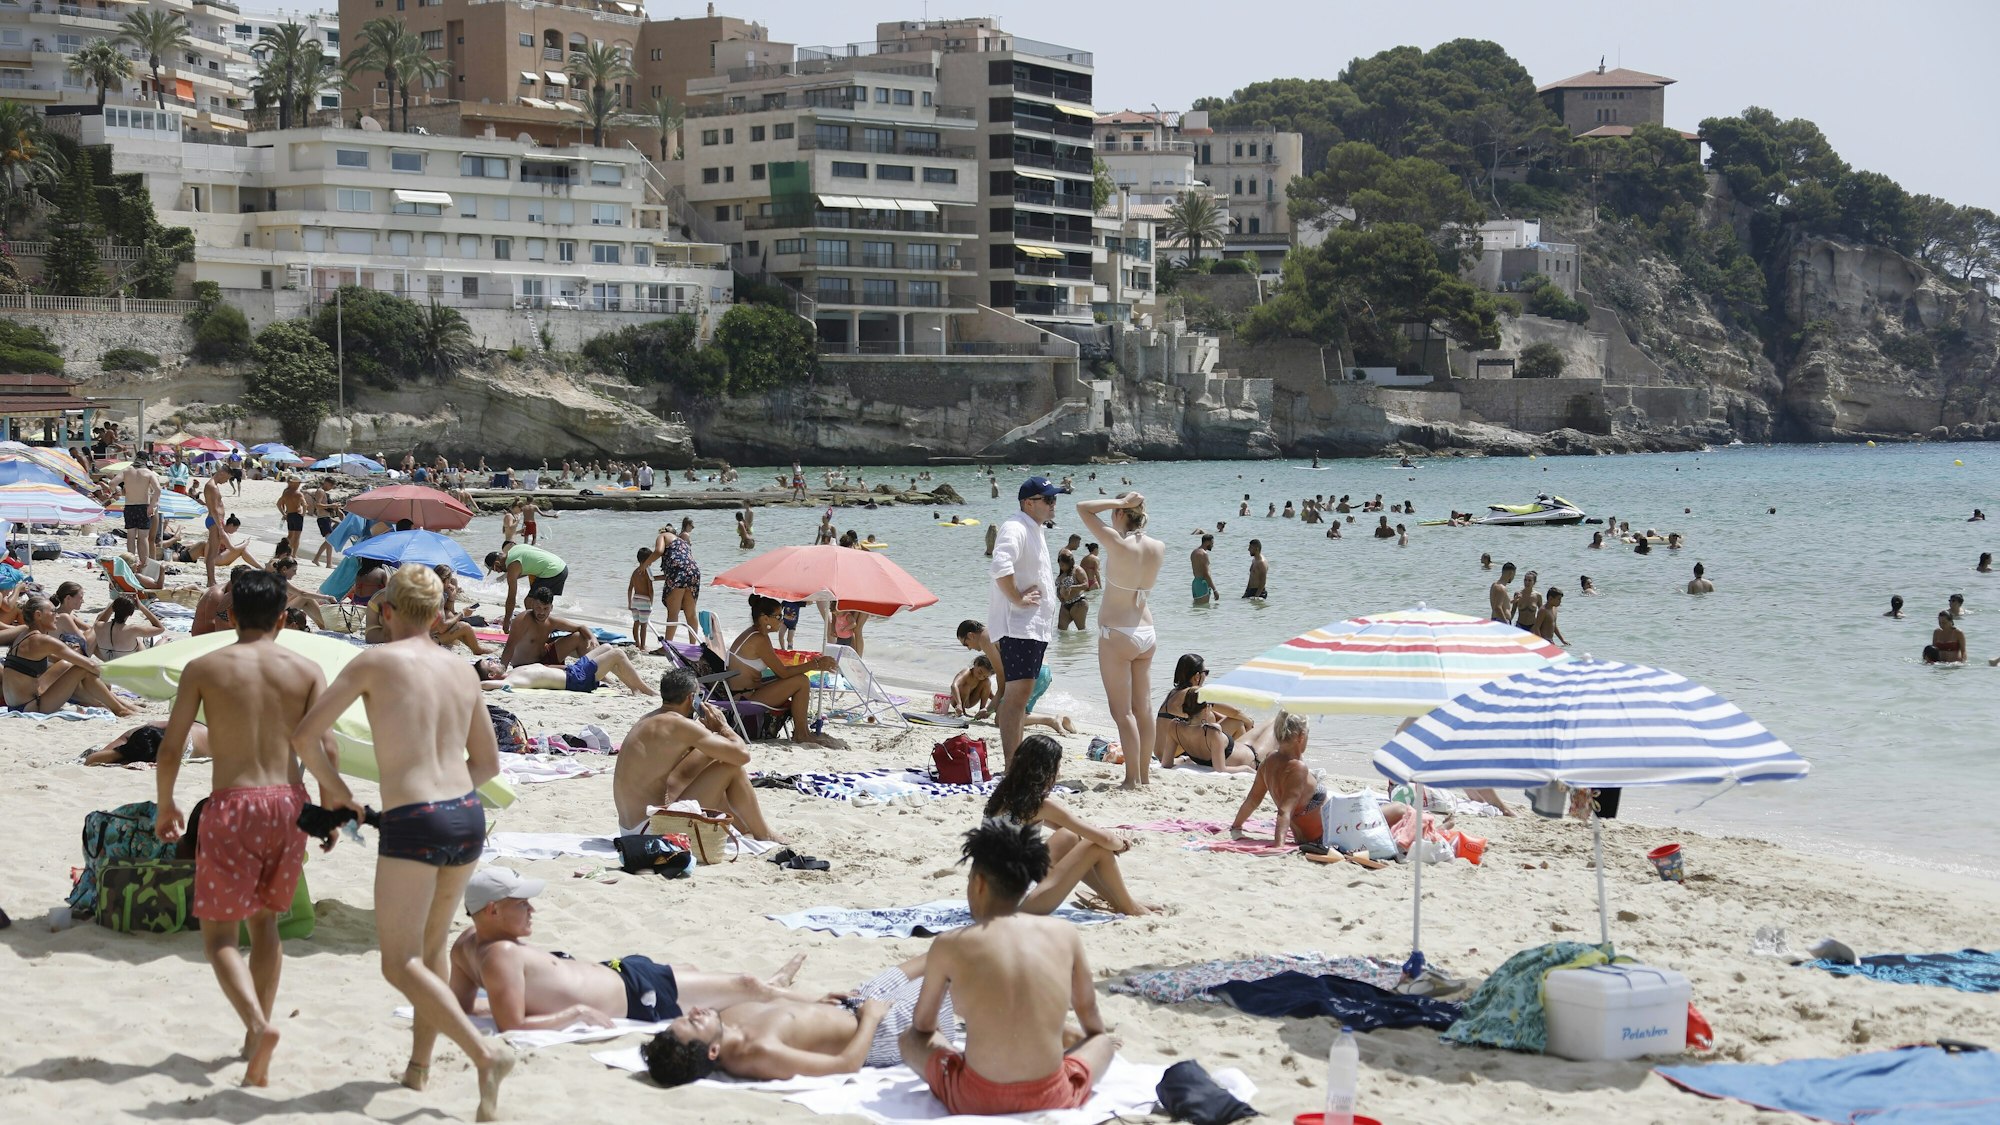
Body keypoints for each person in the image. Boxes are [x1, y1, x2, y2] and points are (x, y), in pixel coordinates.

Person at [291, 564, 516, 1120]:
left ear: (385, 610)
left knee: (398, 963)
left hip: (415, 817)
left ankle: (483, 1054)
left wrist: (339, 792)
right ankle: (418, 1069)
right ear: (440, 615)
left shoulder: (374, 660)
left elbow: (303, 734)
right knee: (432, 951)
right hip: (466, 814)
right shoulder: (462, 670)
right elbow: (487, 763)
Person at [153, 570, 329, 1087]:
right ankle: (257, 1036)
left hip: (233, 805)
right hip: (289, 804)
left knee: (220, 938)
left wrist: (166, 804)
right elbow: (324, 746)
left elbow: (171, 746)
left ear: (229, 616)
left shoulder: (204, 666)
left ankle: (256, 1025)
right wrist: (327, 807)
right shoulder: (307, 668)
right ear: (282, 618)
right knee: (266, 925)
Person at [896, 819, 1116, 1116]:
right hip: (1052, 1094)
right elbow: (1092, 1024)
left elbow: (923, 1025)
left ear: (979, 883)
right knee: (1102, 1043)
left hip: (975, 1097)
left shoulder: (950, 944)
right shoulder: (1065, 934)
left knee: (910, 1038)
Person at [450, 867, 815, 1037]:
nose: (533, 910)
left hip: (621, 971)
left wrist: (503, 1002)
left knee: (693, 970)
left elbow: (463, 1006)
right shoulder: (500, 955)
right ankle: (816, 1001)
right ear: (492, 910)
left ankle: (773, 990)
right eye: (522, 904)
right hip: (637, 997)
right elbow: (511, 1024)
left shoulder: (466, 942)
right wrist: (573, 1013)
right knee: (745, 985)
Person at [645, 947, 955, 1083]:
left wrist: (816, 1001)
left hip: (854, 1000)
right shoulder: (758, 1052)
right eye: (694, 1021)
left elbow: (776, 1007)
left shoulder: (722, 1022)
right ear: (713, 1051)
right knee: (957, 971)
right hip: (883, 1029)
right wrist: (872, 1018)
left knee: (942, 951)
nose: (696, 1012)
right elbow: (845, 1066)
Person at [981, 734, 1156, 915]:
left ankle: (1117, 901)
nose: (1058, 773)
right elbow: (1101, 839)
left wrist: (1103, 837)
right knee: (1096, 847)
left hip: (987, 898)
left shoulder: (1003, 796)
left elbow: (1073, 830)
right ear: (1046, 771)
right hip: (1016, 905)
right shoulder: (1038, 804)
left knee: (1070, 836)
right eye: (1057, 767)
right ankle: (1128, 906)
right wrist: (1121, 844)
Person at [614, 667, 784, 840]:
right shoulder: (680, 725)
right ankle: (764, 834)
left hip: (630, 827)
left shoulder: (649, 719)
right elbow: (742, 755)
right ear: (690, 698)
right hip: (651, 829)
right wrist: (723, 727)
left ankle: (744, 829)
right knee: (732, 767)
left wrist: (711, 734)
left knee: (710, 755)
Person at [1075, 492, 1163, 789]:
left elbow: (1083, 508)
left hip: (1118, 633)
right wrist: (1126, 506)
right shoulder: (1158, 547)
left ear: (1123, 513)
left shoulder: (1118, 543)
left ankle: (1131, 779)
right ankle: (1145, 777)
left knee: (1122, 712)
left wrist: (1117, 504)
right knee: (1144, 710)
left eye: (1118, 511)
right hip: (1146, 631)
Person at [1229, 712, 1410, 849]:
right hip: (1329, 833)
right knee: (1401, 809)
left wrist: (1236, 826)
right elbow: (1284, 812)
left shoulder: (1268, 761)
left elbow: (1252, 800)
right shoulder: (1297, 768)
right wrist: (1279, 845)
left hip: (1318, 830)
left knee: (1377, 802)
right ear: (1301, 736)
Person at [990, 477, 1062, 768]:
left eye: (1054, 499)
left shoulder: (1034, 528)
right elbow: (1000, 565)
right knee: (1016, 696)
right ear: (1028, 503)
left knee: (1021, 695)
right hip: (1018, 626)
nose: (1053, 504)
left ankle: (1015, 762)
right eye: (1048, 499)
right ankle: (1011, 765)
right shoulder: (1015, 526)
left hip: (1033, 627)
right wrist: (1017, 599)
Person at [718, 595, 843, 748]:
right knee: (801, 681)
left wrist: (812, 664)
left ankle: (802, 731)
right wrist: (815, 664)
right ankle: (801, 734)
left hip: (744, 691)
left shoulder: (754, 634)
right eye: (778, 616)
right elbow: (783, 673)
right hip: (745, 697)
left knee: (798, 678)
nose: (782, 620)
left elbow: (780, 671)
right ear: (765, 619)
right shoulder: (759, 639)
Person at [4, 595, 134, 715]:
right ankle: (120, 709)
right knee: (83, 668)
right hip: (32, 706)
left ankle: (117, 703)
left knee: (67, 664)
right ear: (38, 615)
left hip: (19, 702)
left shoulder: (24, 633)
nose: (57, 616)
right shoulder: (43, 640)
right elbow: (90, 664)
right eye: (53, 612)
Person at [954, 620, 1074, 735]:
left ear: (971, 635)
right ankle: (1061, 720)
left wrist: (989, 709)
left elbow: (1001, 681)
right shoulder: (995, 630)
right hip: (1044, 673)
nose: (969, 648)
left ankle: (1052, 720)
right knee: (1014, 713)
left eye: (966, 644)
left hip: (1030, 673)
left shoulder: (985, 638)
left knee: (1001, 719)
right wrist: (989, 710)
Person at [477, 644, 656, 696]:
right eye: (490, 663)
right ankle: (644, 689)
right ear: (492, 675)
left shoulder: (514, 672)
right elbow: (484, 685)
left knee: (608, 647)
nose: (493, 660)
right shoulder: (510, 681)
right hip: (576, 680)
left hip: (573, 671)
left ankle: (634, 687)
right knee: (617, 653)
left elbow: (545, 668)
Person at [498, 586, 593, 669]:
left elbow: (581, 627)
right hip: (528, 666)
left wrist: (592, 638)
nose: (541, 612)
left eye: (545, 608)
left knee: (580, 637)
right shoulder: (523, 620)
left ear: (551, 608)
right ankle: (589, 671)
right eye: (538, 607)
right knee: (568, 669)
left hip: (546, 657)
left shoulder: (551, 621)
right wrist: (502, 668)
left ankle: (594, 670)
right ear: (532, 605)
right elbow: (510, 645)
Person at [484, 542, 569, 629]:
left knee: (530, 602)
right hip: (561, 566)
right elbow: (529, 565)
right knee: (543, 603)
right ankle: (541, 627)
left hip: (552, 572)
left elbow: (511, 597)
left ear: (497, 563)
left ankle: (538, 629)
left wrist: (506, 621)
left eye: (495, 569)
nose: (498, 572)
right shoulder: (514, 550)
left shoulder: (512, 565)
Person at [85, 718, 210, 767]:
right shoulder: (144, 730)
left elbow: (92, 759)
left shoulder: (176, 746)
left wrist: (120, 754)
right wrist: (122, 752)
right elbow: (92, 759)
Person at [653, 523, 701, 642]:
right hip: (693, 572)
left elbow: (658, 551)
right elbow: (677, 572)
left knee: (673, 613)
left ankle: (668, 645)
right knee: (691, 614)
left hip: (679, 573)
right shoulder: (682, 544)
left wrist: (645, 565)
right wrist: (653, 578)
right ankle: (693, 646)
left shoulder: (663, 536)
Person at [92, 595, 166, 660]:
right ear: (131, 613)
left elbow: (101, 619)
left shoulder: (98, 626)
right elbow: (160, 628)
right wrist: (141, 607)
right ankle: (164, 639)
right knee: (143, 640)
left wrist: (115, 603)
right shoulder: (133, 629)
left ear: (113, 608)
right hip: (131, 665)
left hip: (109, 662)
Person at [120, 458, 162, 567]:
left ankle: (133, 563)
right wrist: (152, 506)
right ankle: (144, 564)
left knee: (133, 537)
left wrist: (122, 492)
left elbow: (113, 483)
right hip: (146, 506)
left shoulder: (128, 472)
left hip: (131, 506)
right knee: (146, 538)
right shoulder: (149, 474)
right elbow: (158, 490)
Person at [201, 466, 238, 588]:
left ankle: (211, 580)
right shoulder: (212, 486)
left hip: (215, 521)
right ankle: (211, 581)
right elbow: (214, 509)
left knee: (213, 552)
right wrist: (221, 529)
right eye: (227, 478)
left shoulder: (212, 486)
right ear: (222, 473)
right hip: (215, 521)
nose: (226, 481)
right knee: (212, 554)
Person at [627, 546, 658, 652]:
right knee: (644, 626)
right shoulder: (647, 571)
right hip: (645, 601)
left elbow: (630, 588)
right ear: (647, 560)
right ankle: (643, 646)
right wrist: (651, 602)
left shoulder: (635, 572)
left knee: (636, 623)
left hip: (635, 600)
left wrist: (629, 603)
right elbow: (651, 589)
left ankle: (637, 644)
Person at [1054, 552, 1087, 632]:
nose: (1061, 567)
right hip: (1065, 604)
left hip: (1078, 602)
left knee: (1081, 631)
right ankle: (1066, 645)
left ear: (1069, 563)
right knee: (1061, 631)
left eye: (1063, 565)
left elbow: (1085, 585)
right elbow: (1059, 587)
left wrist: (1071, 587)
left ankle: (1085, 644)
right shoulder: (1062, 573)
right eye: (1060, 565)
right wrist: (1058, 594)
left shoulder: (1077, 570)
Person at [276, 477, 305, 557]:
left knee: (290, 535)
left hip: (289, 514)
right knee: (296, 536)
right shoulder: (298, 493)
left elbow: (280, 503)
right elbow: (304, 504)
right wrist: (304, 513)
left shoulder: (286, 492)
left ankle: (284, 551)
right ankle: (293, 554)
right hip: (297, 515)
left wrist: (284, 513)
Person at [1190, 533, 1215, 605]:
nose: (1213, 545)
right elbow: (1206, 574)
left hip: (1195, 583)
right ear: (1207, 542)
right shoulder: (1204, 554)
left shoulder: (1194, 552)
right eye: (1212, 543)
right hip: (1202, 583)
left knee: (1197, 608)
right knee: (1204, 610)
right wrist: (1215, 590)